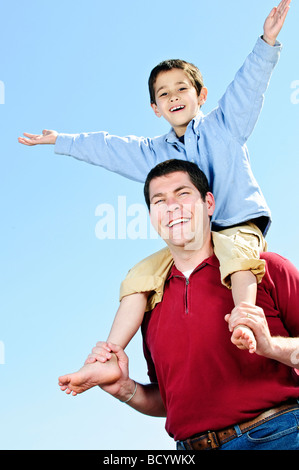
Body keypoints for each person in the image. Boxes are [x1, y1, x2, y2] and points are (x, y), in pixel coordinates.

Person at [18, 1, 291, 352]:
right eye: (164, 94)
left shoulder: (226, 125)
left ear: (200, 95)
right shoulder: (154, 153)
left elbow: (248, 86)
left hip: (236, 225)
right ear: (155, 108)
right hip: (195, 240)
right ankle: (110, 352)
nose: (173, 97)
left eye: (182, 89)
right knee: (139, 276)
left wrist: (266, 42)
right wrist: (62, 139)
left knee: (239, 258)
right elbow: (109, 148)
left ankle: (244, 318)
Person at [59, 160, 299, 451]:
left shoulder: (267, 268)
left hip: (276, 436)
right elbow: (168, 400)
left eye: (182, 194)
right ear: (152, 216)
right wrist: (124, 389)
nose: (171, 206)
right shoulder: (148, 303)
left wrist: (271, 346)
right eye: (159, 200)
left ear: (208, 203)